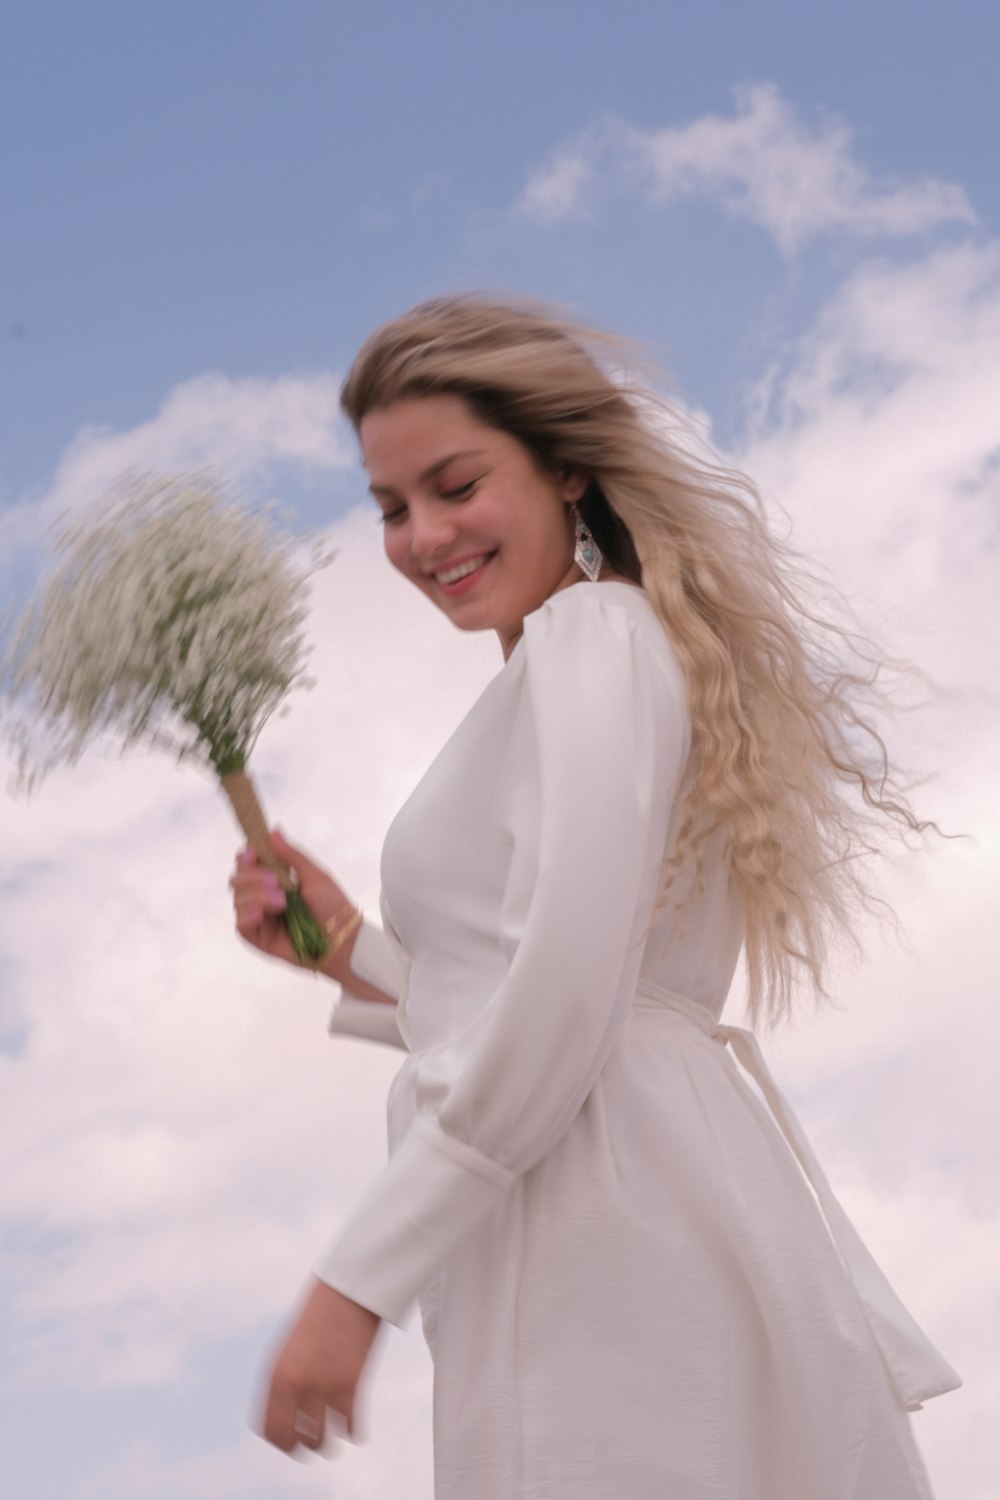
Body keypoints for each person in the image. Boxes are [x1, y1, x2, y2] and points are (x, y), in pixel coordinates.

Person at [229, 295, 960, 1499]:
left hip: (600, 1200)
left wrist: (357, 1283)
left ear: (566, 464)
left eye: (456, 486)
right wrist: (344, 946)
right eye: (391, 508)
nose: (421, 537)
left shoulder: (591, 642)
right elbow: (551, 980)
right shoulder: (597, 655)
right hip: (635, 1175)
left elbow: (563, 1004)